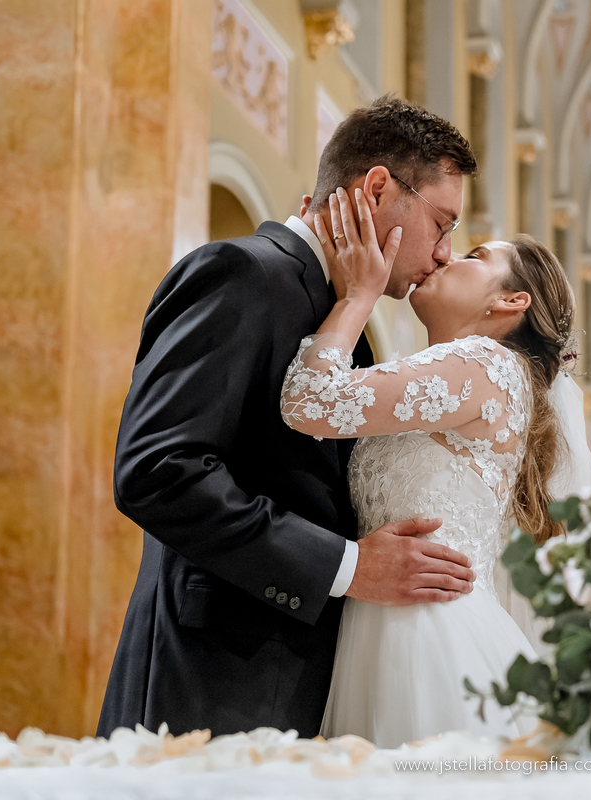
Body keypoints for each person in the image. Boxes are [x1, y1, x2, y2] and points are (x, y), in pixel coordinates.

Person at [97, 96, 480, 739]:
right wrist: (350, 566)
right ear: (379, 187)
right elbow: (157, 469)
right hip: (209, 684)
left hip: (299, 684)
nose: (444, 252)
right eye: (442, 224)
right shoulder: (241, 275)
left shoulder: (343, 323)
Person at [279, 186, 591, 747]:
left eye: (476, 257)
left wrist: (360, 295)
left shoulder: (483, 364)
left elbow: (309, 401)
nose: (450, 255)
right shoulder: (454, 376)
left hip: (429, 635)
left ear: (510, 301)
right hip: (390, 619)